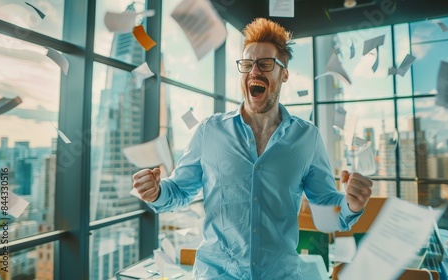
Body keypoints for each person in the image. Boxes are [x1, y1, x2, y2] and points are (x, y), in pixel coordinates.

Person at [133, 18, 373, 279]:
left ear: (284, 73)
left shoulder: (307, 138)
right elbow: (179, 190)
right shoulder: (209, 131)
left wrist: (351, 205)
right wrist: (156, 192)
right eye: (247, 64)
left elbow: (328, 211)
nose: (254, 72)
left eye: (265, 64)